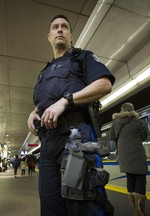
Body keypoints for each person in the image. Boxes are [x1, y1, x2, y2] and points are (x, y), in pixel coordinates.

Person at [27, 14, 115, 216]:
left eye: (64, 27)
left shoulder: (82, 58)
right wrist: (32, 113)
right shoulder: (43, 73)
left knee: (82, 203)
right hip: (48, 143)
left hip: (76, 138)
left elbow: (105, 84)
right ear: (49, 36)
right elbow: (42, 103)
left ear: (71, 36)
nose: (60, 29)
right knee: (50, 205)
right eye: (55, 27)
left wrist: (66, 100)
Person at [109, 102, 148, 215]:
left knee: (130, 178)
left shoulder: (115, 122)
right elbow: (144, 136)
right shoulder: (137, 121)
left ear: (121, 110)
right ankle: (140, 209)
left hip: (124, 156)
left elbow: (112, 136)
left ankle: (135, 208)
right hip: (137, 154)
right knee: (140, 179)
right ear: (132, 110)